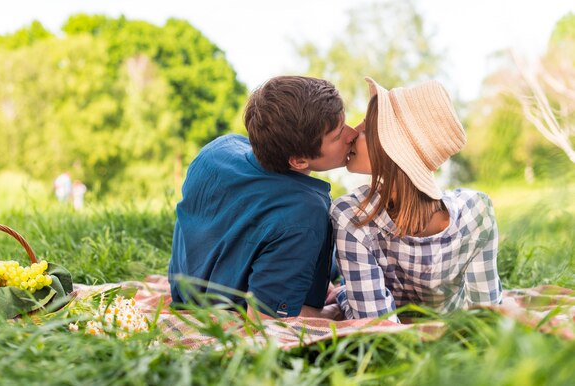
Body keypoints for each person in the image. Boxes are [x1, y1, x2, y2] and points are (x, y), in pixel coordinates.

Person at [169, 76, 358, 319]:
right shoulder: (304, 210)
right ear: (299, 160)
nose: (352, 134)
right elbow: (265, 318)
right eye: (337, 134)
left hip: (186, 290)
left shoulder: (218, 149)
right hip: (229, 305)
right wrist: (334, 310)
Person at [331, 77, 502, 322]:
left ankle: (339, 292)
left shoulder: (476, 212)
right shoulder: (351, 214)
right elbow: (378, 330)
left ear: (391, 150)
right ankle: (339, 291)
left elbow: (486, 316)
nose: (352, 133)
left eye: (366, 129)